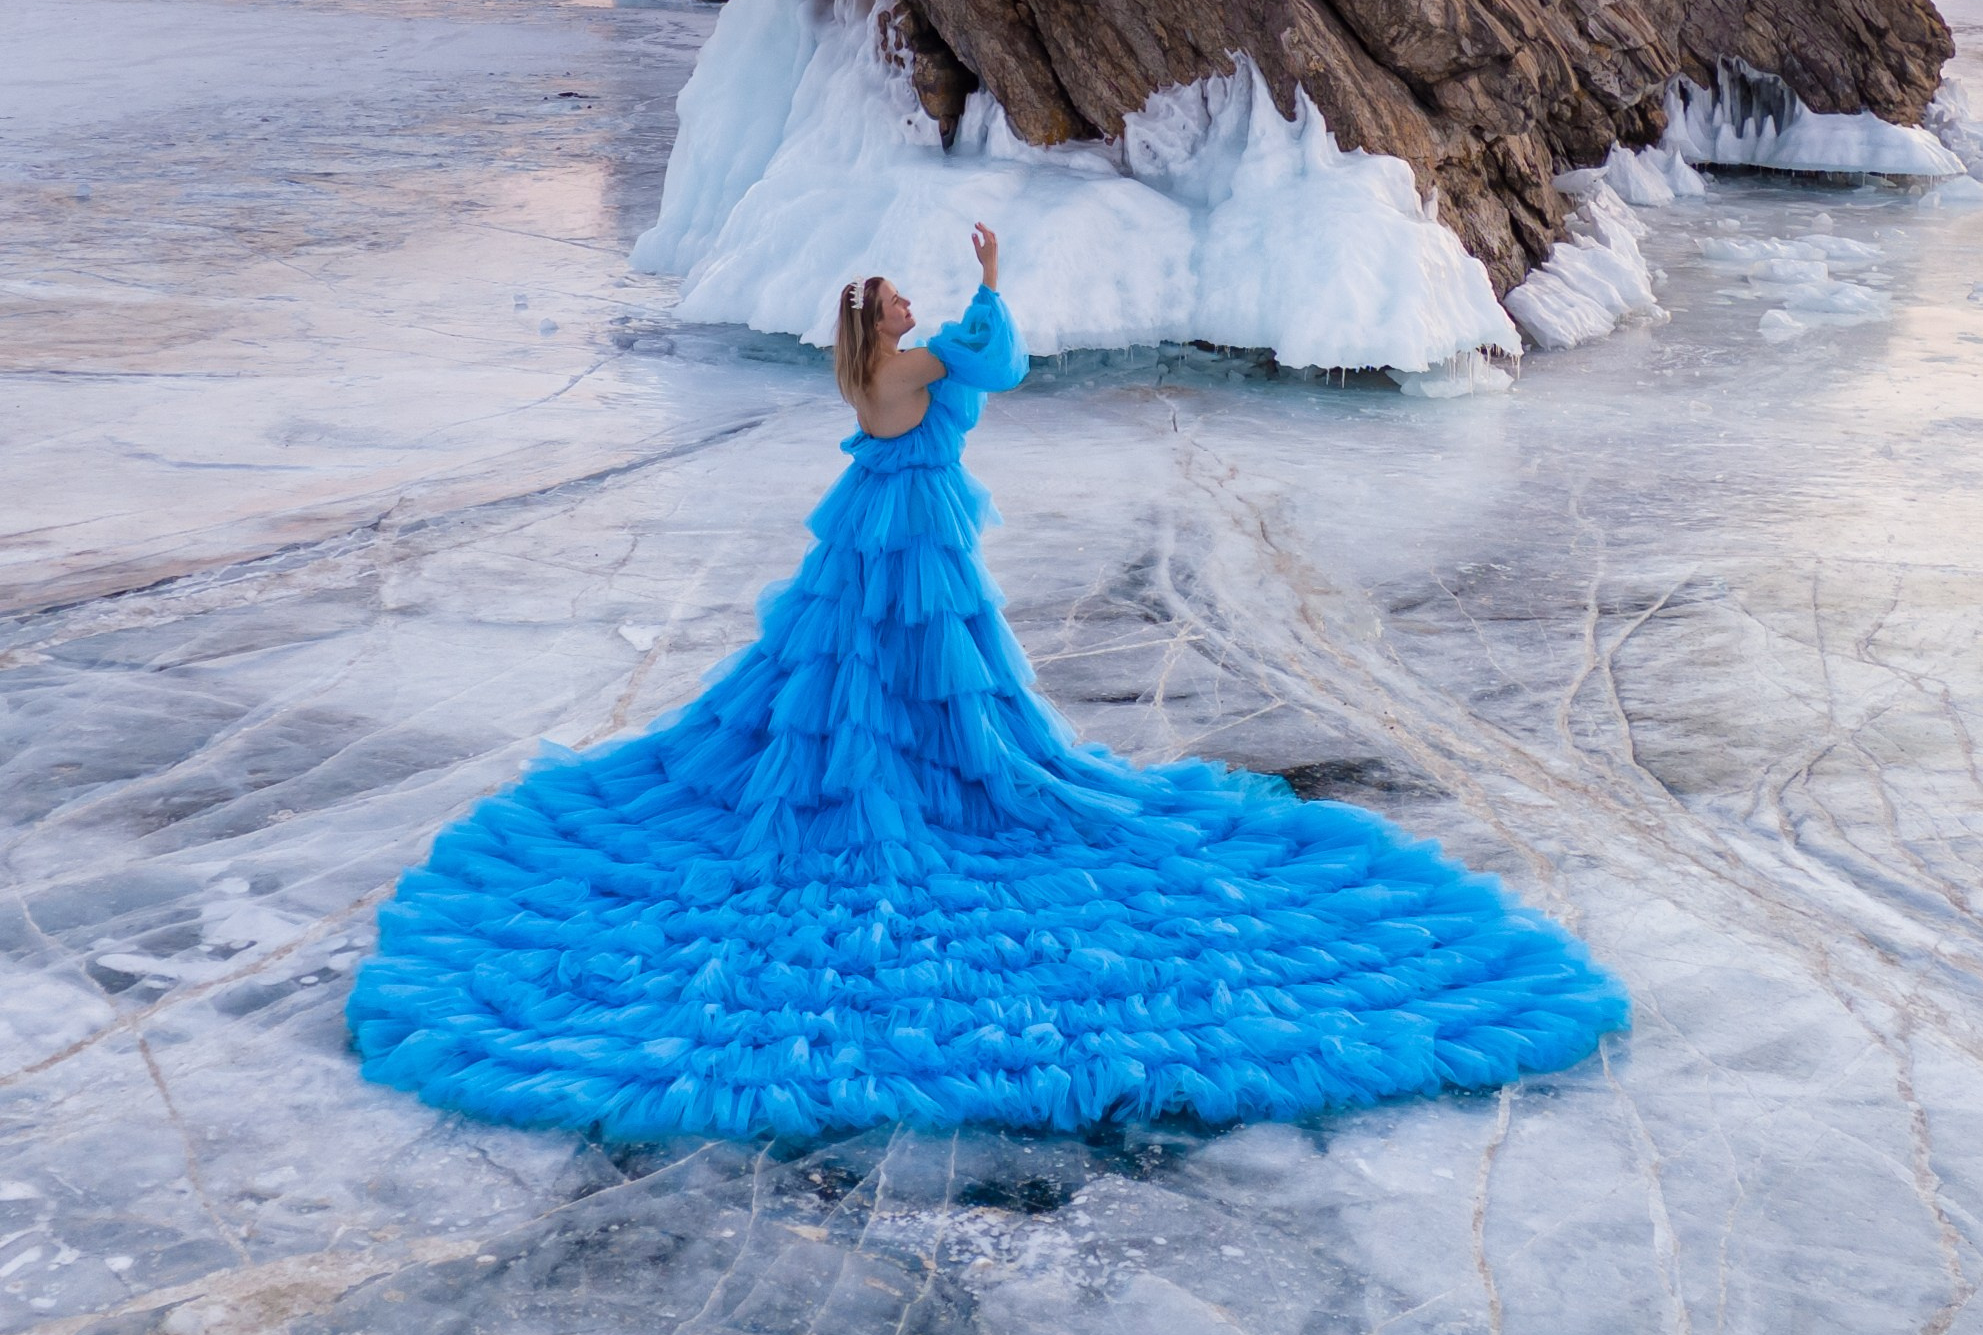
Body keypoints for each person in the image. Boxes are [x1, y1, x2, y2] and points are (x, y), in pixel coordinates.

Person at [350, 222, 1625, 1142]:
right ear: (880, 322)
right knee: (919, 671)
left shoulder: (867, 374)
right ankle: (918, 786)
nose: (910, 312)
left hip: (879, 522)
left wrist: (963, 302)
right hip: (913, 532)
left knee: (862, 665)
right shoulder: (907, 369)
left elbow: (956, 367)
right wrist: (994, 287)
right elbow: (996, 367)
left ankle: (901, 762)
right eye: (898, 301)